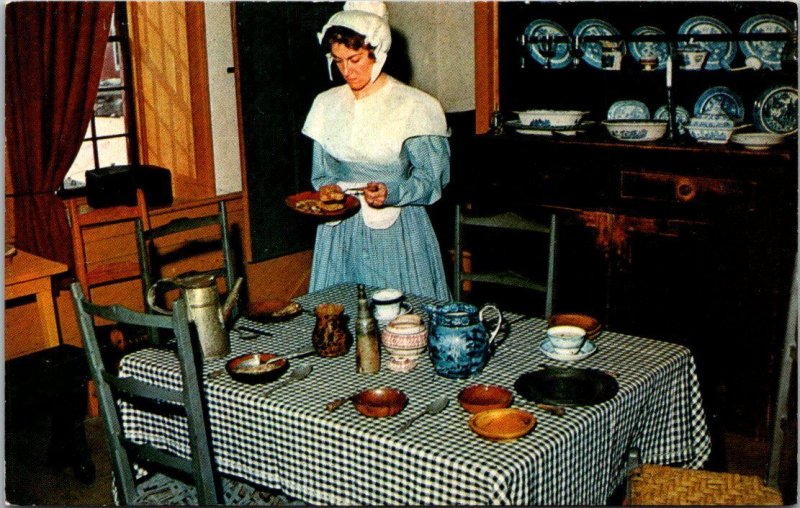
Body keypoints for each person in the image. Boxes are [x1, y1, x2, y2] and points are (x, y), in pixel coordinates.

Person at [302, 2, 451, 300]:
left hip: (396, 229)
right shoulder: (325, 104)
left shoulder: (415, 106)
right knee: (338, 316)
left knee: (400, 317)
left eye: (355, 59)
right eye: (338, 60)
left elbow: (431, 181)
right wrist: (328, 189)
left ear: (377, 52)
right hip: (339, 229)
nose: (346, 70)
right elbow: (321, 173)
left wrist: (392, 192)